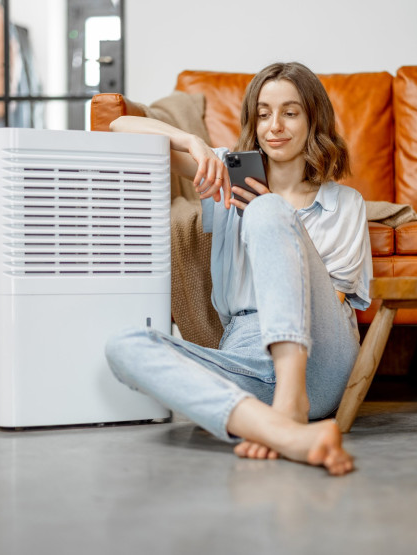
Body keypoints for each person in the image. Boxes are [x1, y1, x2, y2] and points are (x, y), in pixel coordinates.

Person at [105, 62, 372, 476]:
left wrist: (274, 214)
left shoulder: (345, 202)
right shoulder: (225, 176)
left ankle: (289, 403)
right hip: (243, 354)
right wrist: (192, 142)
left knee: (267, 210)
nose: (274, 126)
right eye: (263, 113)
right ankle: (281, 432)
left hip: (318, 358)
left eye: (290, 112)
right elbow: (119, 128)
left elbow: (332, 300)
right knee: (124, 347)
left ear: (313, 118)